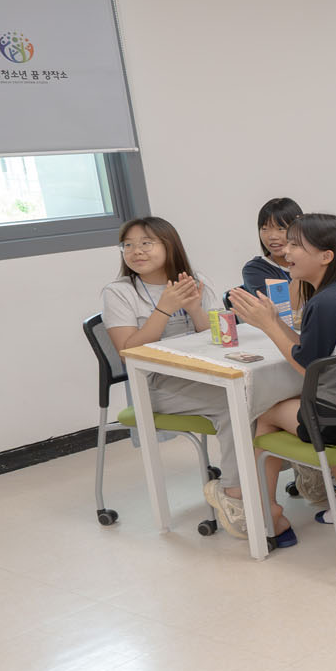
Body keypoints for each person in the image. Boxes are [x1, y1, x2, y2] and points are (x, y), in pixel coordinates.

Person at [223, 213, 336, 543]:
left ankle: (267, 509)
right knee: (284, 403)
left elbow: (305, 367)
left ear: (326, 256)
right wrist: (272, 320)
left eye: (296, 245)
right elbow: (307, 352)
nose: (286, 252)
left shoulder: (324, 303)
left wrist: (268, 325)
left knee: (263, 413)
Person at [101, 216, 242, 526]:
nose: (136, 251)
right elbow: (128, 352)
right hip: (154, 384)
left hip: (205, 374)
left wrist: (194, 309)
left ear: (169, 245)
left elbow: (221, 338)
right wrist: (164, 308)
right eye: (128, 245)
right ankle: (234, 493)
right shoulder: (119, 292)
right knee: (233, 404)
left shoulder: (195, 281)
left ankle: (278, 475)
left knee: (261, 391)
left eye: (146, 243)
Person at [241, 196, 301, 297]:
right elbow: (282, 306)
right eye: (265, 229)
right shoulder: (255, 270)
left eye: (281, 229)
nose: (272, 236)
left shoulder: (315, 263)